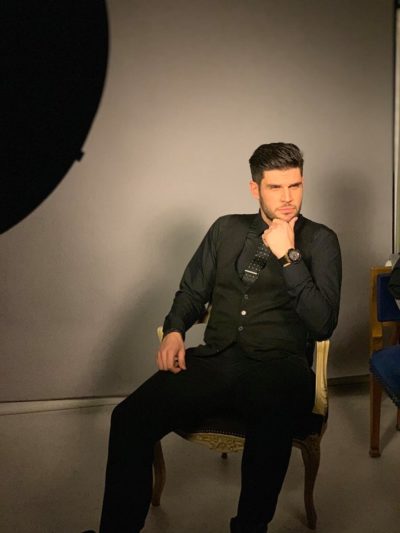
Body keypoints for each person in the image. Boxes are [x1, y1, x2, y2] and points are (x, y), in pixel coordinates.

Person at [96, 142, 342, 533]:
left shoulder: (321, 241)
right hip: (216, 360)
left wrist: (289, 256)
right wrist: (174, 330)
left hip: (280, 366)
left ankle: (248, 528)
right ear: (255, 188)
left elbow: (323, 323)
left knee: (271, 422)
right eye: (275, 187)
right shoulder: (225, 229)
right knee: (128, 418)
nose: (287, 197)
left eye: (295, 186)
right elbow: (192, 292)